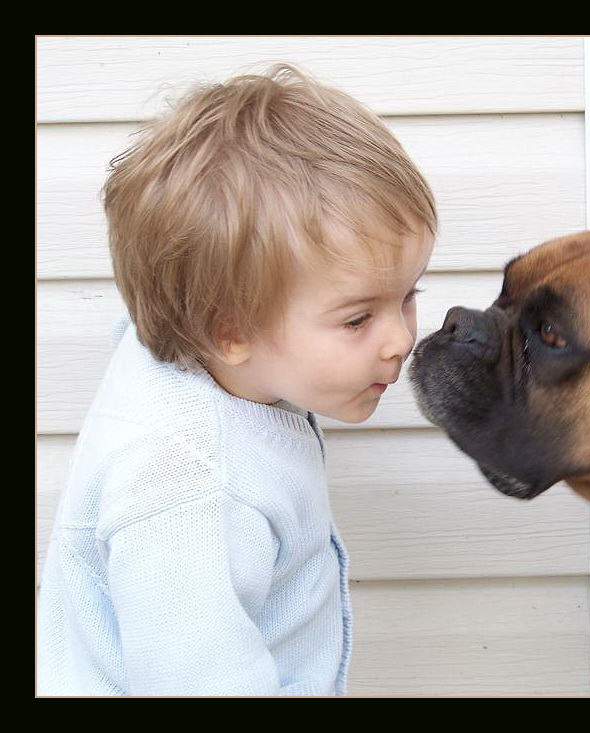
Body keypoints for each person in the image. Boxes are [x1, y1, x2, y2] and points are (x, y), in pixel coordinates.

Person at [37, 64, 437, 696]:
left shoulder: (201, 359)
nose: (400, 340)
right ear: (229, 331)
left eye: (408, 296)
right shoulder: (193, 492)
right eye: (358, 318)